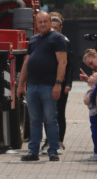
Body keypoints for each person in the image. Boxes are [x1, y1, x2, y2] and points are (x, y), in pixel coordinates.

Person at [17, 11, 67, 162]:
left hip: (49, 86)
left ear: (50, 22)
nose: (43, 24)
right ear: (36, 23)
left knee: (51, 119)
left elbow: (62, 62)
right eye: (40, 22)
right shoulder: (33, 40)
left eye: (46, 21)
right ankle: (33, 152)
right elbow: (27, 62)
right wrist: (20, 85)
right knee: (34, 120)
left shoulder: (57, 39)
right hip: (32, 86)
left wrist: (58, 84)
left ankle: (53, 150)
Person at [49, 13, 73, 151]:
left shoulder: (65, 41)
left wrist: (68, 83)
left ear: (61, 28)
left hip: (61, 82)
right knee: (48, 113)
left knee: (59, 112)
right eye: (52, 28)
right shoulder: (45, 41)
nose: (54, 30)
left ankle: (60, 141)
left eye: (56, 28)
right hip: (48, 82)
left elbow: (70, 64)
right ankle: (49, 140)